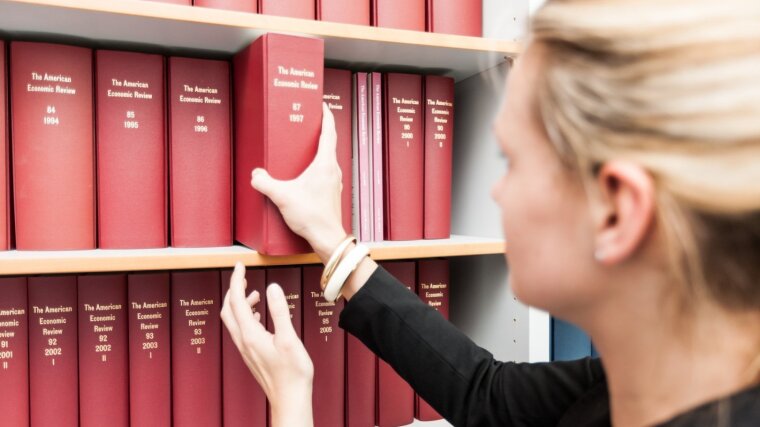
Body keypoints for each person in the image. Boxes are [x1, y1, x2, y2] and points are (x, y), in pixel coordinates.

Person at [220, 0, 760, 425]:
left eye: (515, 161)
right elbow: (488, 397)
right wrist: (334, 244)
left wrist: (291, 403)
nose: (496, 192)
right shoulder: (663, 378)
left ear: (617, 212)